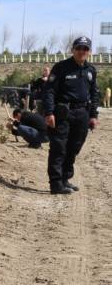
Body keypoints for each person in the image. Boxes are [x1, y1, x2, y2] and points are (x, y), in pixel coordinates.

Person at [42, 37, 99, 194]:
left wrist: (93, 115)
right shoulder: (61, 67)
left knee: (74, 147)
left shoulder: (91, 70)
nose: (82, 51)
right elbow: (49, 91)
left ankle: (65, 178)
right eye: (79, 48)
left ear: (89, 52)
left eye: (85, 49)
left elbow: (94, 93)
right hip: (63, 114)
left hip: (82, 114)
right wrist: (49, 113)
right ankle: (56, 184)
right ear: (73, 50)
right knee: (59, 148)